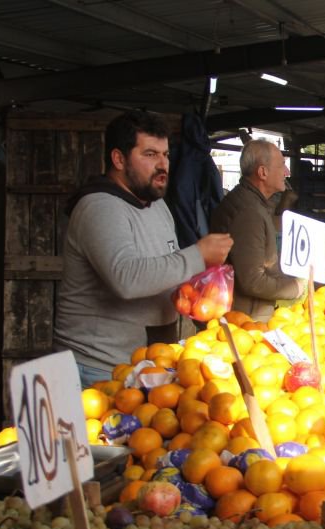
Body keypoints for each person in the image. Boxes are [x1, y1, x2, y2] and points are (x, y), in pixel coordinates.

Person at [55, 110, 233, 386]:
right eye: (150, 155)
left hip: (144, 366)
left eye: (166, 155)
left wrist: (198, 290)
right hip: (98, 369)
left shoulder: (157, 205)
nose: (163, 165)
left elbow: (164, 268)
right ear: (118, 159)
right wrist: (198, 255)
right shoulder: (100, 206)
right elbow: (126, 279)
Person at [209, 139, 304, 322]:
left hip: (244, 315)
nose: (287, 172)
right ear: (263, 172)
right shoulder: (248, 212)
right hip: (245, 320)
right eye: (282, 165)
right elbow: (253, 281)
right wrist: (296, 287)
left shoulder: (250, 202)